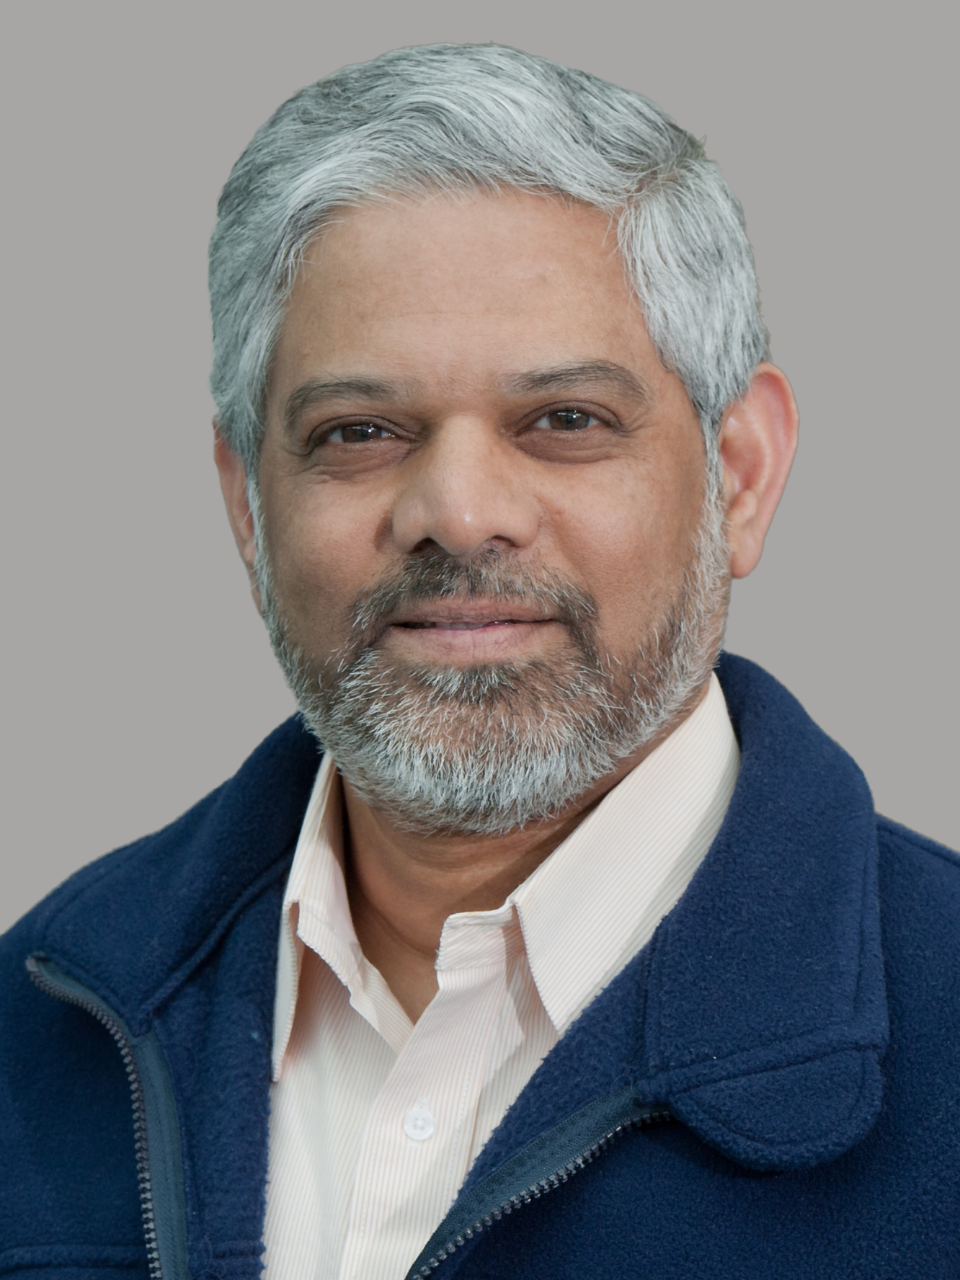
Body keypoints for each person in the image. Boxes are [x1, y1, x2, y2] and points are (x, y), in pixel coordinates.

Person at [1, 42, 957, 1280]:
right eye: (360, 430)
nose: (457, 513)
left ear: (740, 475)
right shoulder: (34, 1030)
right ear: (248, 505)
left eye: (564, 419)